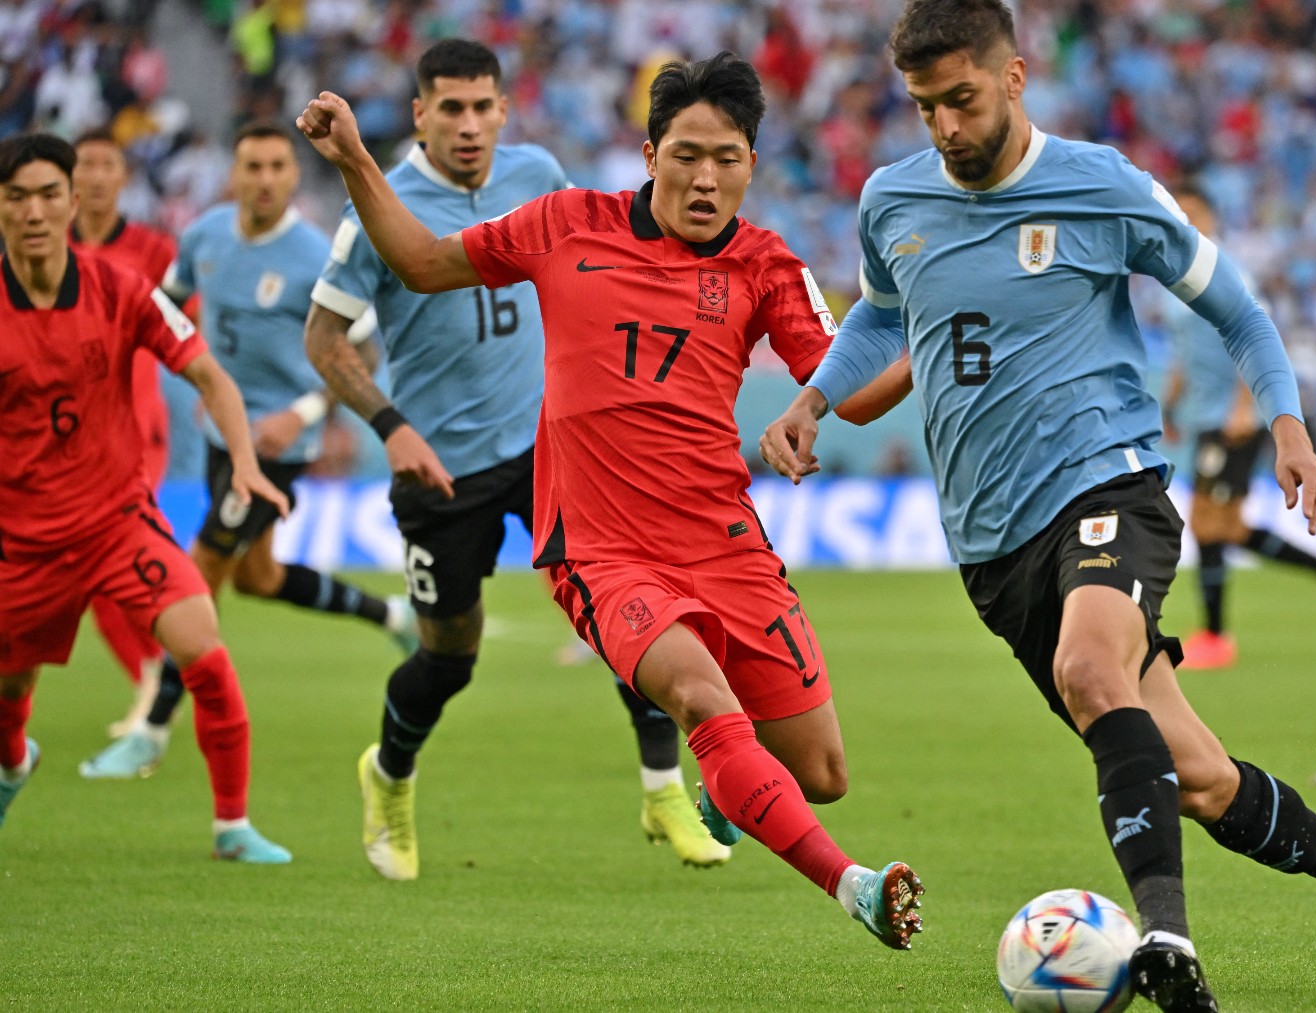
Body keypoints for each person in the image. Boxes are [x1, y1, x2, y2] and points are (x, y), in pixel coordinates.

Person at [760, 3, 1316, 1006]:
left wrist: (1286, 425)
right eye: (926, 108)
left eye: (962, 101)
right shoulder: (894, 201)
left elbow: (1237, 308)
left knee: (1092, 668)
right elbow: (886, 312)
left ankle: (1169, 943)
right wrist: (812, 398)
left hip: (1108, 484)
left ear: (1013, 78)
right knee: (1199, 780)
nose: (946, 128)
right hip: (991, 547)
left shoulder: (1100, 187)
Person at [296, 50, 925, 948]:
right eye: (687, 155)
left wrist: (934, 344)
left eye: (728, 160)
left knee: (821, 770)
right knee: (703, 702)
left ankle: (730, 778)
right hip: (602, 550)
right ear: (649, 152)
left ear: (752, 164)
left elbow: (851, 390)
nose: (706, 179)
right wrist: (357, 158)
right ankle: (852, 881)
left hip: (726, 542)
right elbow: (424, 263)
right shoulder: (562, 225)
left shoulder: (765, 263)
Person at [302, 39, 721, 880]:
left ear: (503, 109)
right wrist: (393, 428)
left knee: (628, 614)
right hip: (439, 467)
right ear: (419, 113)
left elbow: (602, 270)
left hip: (550, 448)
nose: (468, 124)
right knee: (450, 657)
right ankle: (387, 774)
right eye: (449, 108)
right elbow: (324, 341)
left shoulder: (539, 173)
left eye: (482, 107)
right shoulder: (378, 205)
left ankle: (662, 786)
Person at [79, 122, 417, 781]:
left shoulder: (316, 253)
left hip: (276, 443)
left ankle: (151, 728)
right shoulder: (204, 236)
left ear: (293, 177)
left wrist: (304, 412)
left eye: (275, 168)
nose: (263, 179)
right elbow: (167, 311)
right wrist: (193, 376)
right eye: (251, 167)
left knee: (199, 569)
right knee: (257, 576)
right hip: (219, 435)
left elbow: (363, 346)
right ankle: (392, 613)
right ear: (232, 174)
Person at [0, 132, 290, 862]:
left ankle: (232, 826)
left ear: (72, 199)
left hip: (116, 520)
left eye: (46, 194)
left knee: (204, 647)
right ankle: (13, 763)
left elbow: (209, 376)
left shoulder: (121, 290)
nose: (34, 211)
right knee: (10, 689)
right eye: (16, 197)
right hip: (20, 539)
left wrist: (247, 461)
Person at [1157, 183, 1316, 670]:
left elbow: (1252, 339)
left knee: (1207, 520)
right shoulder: (1170, 284)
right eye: (1177, 213)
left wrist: (1244, 407)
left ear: (1212, 219)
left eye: (1194, 213)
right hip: (1201, 415)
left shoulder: (1228, 273)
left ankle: (1214, 635)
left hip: (1231, 417)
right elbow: (1186, 356)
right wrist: (1170, 405)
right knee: (1225, 526)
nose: (1185, 222)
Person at [68, 129, 178, 734]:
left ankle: (152, 685)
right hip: (61, 438)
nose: (96, 176)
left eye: (107, 164)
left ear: (123, 178)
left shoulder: (152, 250)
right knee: (89, 572)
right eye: (86, 164)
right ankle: (155, 679)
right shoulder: (41, 248)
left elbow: (186, 323)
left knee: (110, 563)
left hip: (136, 429)